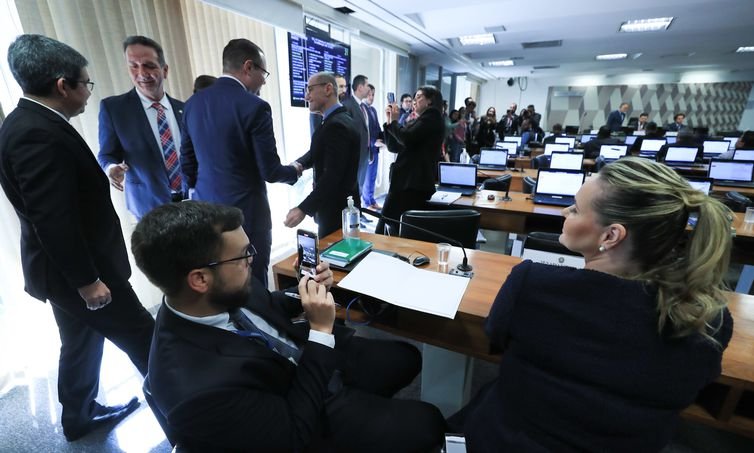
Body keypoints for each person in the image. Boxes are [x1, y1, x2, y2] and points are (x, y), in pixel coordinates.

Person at [450, 157, 733, 452]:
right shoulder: (711, 319)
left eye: (575, 208)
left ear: (611, 236)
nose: (564, 211)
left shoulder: (533, 284)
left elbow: (495, 338)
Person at [133, 201, 446, 452]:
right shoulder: (194, 391)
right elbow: (295, 434)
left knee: (407, 357)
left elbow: (267, 306)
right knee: (430, 423)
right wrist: (321, 334)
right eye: (243, 256)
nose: (251, 260)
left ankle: (367, 410)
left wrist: (303, 291)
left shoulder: (219, 289)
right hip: (302, 409)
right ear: (199, 279)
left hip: (312, 364)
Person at [0, 34, 154, 442]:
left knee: (80, 343)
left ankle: (79, 416)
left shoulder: (28, 122)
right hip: (81, 273)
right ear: (62, 84)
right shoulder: (37, 133)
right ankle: (196, 421)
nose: (88, 92)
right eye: (86, 83)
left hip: (60, 272)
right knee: (148, 342)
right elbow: (53, 218)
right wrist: (88, 282)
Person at [181, 38, 299, 288]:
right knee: (252, 282)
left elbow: (187, 163)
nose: (264, 81)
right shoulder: (255, 107)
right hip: (246, 215)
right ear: (248, 67)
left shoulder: (192, 105)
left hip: (206, 213)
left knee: (218, 281)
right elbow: (270, 170)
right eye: (263, 73)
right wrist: (295, 171)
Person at [98, 35, 186, 220]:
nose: (142, 73)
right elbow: (107, 154)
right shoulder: (114, 109)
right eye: (134, 66)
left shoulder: (184, 108)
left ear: (165, 70)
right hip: (148, 207)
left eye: (149, 65)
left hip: (191, 202)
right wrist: (112, 168)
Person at [284, 72, 359, 237]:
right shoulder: (335, 120)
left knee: (333, 258)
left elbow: (332, 175)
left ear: (328, 89)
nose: (306, 96)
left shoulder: (336, 125)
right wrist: (299, 164)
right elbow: (319, 151)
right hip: (335, 207)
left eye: (309, 89)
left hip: (336, 210)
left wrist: (303, 208)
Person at [377, 85, 445, 234]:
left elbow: (406, 138)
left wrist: (395, 123)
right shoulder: (419, 120)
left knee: (392, 226)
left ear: (430, 101)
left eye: (418, 97)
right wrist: (389, 122)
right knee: (389, 225)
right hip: (406, 183)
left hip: (412, 183)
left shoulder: (432, 118)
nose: (414, 101)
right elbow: (394, 146)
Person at [340, 75, 371, 207]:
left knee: (360, 187)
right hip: (355, 157)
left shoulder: (362, 107)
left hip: (364, 155)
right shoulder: (348, 105)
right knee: (353, 189)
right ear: (360, 87)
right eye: (367, 85)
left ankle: (359, 212)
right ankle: (354, 213)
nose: (369, 89)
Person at [361, 83, 385, 209]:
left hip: (375, 148)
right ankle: (366, 203)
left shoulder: (373, 110)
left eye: (373, 94)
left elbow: (377, 128)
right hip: (367, 149)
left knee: (372, 177)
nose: (371, 97)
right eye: (369, 94)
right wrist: (372, 142)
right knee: (367, 178)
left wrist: (384, 139)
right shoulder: (361, 109)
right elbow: (363, 131)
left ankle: (371, 200)